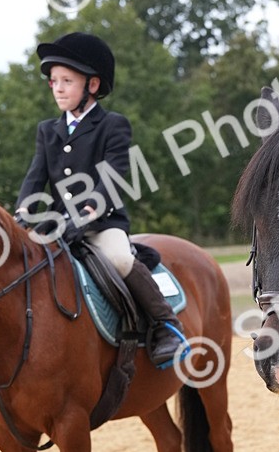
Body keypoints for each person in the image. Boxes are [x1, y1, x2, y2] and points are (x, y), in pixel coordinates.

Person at [14, 32, 188, 369]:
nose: (58, 88)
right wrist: (22, 212)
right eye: (53, 81)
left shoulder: (112, 125)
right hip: (58, 225)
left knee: (121, 260)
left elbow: (113, 176)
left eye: (67, 80)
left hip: (101, 222)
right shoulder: (47, 130)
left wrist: (90, 210)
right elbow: (36, 176)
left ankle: (166, 326)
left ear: (92, 85)